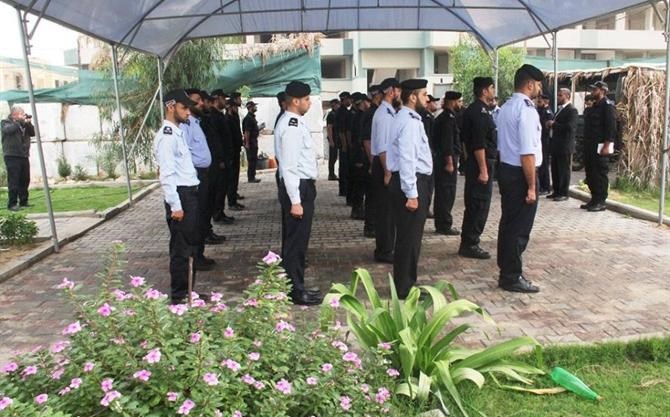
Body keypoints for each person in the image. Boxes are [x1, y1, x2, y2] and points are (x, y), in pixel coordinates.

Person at [495, 64, 545, 293]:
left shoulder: (506, 107)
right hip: (521, 173)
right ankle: (511, 276)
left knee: (508, 223)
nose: (540, 89)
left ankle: (507, 269)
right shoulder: (526, 110)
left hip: (506, 169)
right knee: (519, 228)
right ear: (530, 85)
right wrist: (532, 186)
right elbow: (527, 153)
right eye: (538, 85)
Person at [275, 81, 321, 306]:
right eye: (306, 99)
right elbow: (289, 166)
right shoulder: (291, 125)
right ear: (295, 101)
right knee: (296, 243)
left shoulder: (294, 122)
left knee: (296, 241)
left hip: (301, 186)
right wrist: (295, 200)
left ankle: (295, 286)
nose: (309, 103)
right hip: (298, 188)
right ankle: (295, 291)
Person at [386, 79, 433, 299]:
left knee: (408, 237)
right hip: (411, 183)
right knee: (409, 238)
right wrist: (412, 194)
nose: (427, 98)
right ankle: (405, 288)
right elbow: (407, 159)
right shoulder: (410, 121)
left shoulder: (402, 117)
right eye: (424, 94)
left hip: (407, 181)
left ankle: (405, 283)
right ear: (413, 97)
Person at [153, 90, 201, 304]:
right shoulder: (167, 136)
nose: (188, 112)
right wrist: (175, 205)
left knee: (190, 245)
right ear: (170, 107)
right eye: (184, 107)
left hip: (188, 194)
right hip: (181, 196)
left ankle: (189, 292)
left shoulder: (177, 133)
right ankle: (180, 295)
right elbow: (167, 174)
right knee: (181, 248)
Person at [180, 89, 222, 271]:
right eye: (196, 101)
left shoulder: (196, 122)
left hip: (204, 173)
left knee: (204, 212)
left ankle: (199, 253)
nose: (201, 104)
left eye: (200, 101)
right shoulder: (185, 126)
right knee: (196, 218)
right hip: (195, 174)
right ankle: (195, 256)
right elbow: (185, 153)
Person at [459, 77, 497, 260]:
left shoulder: (477, 110)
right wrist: (483, 169)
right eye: (491, 88)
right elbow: (479, 144)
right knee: (479, 204)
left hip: (476, 162)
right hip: (481, 163)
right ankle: (470, 243)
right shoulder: (479, 112)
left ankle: (469, 241)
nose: (493, 91)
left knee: (475, 203)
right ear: (484, 91)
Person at [370, 77, 401, 263]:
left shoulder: (389, 112)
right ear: (391, 91)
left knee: (389, 211)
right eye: (398, 91)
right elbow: (382, 147)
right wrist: (388, 172)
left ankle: (387, 247)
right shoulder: (384, 115)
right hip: (384, 166)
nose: (400, 94)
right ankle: (384, 250)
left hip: (385, 165)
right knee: (385, 212)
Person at [582, 81, 616, 212]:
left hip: (601, 146)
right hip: (590, 145)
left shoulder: (607, 107)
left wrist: (607, 145)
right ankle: (594, 198)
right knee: (590, 173)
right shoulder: (594, 106)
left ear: (602, 91)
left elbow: (611, 128)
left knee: (599, 174)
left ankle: (601, 201)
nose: (592, 92)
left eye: (595, 89)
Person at [433, 91, 463, 235]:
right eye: (458, 101)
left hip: (443, 159)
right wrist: (449, 162)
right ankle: (444, 224)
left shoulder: (445, 117)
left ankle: (441, 222)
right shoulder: (447, 119)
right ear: (452, 102)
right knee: (447, 193)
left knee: (443, 192)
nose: (460, 104)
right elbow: (447, 143)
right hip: (446, 160)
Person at [209, 89, 235, 224]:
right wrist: (219, 159)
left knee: (223, 187)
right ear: (217, 98)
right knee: (219, 188)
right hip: (219, 159)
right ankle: (217, 214)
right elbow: (215, 140)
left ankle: (220, 212)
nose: (225, 101)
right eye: (223, 99)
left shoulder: (219, 115)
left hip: (225, 157)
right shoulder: (213, 116)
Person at [546, 88, 578, 201]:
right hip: (556, 144)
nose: (558, 97)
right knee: (555, 169)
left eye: (560, 95)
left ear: (567, 96)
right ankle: (556, 191)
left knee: (563, 170)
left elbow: (570, 127)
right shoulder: (560, 109)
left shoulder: (572, 110)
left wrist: (554, 124)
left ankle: (564, 192)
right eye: (558, 95)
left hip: (564, 145)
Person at [1, 106, 34, 211]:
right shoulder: (5, 122)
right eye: (21, 114)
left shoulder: (23, 124)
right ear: (14, 115)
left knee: (25, 179)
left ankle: (24, 201)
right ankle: (12, 204)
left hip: (23, 155)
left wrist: (28, 123)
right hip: (12, 155)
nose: (23, 115)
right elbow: (8, 130)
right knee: (14, 180)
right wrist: (18, 122)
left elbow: (32, 133)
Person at [360, 85, 382, 238]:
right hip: (372, 160)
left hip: (374, 160)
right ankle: (371, 227)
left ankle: (373, 225)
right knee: (373, 195)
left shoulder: (375, 112)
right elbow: (367, 140)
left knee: (375, 195)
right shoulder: (373, 113)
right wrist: (372, 162)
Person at [349, 93, 371, 221]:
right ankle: (357, 209)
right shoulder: (360, 116)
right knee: (360, 183)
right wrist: (359, 158)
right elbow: (358, 139)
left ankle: (357, 208)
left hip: (359, 153)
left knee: (359, 183)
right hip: (359, 154)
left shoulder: (360, 115)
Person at [226, 97, 245, 211]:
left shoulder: (234, 117)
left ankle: (234, 197)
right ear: (230, 107)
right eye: (234, 107)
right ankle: (231, 202)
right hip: (231, 152)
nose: (236, 109)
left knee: (235, 176)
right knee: (232, 177)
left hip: (236, 150)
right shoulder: (227, 119)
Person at [335, 91, 353, 199]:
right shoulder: (343, 112)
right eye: (349, 99)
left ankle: (343, 189)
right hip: (344, 144)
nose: (350, 101)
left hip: (342, 143)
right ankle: (344, 189)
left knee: (343, 167)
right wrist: (345, 145)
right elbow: (342, 131)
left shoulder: (342, 111)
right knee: (345, 168)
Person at [536, 94, 553, 195]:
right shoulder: (539, 110)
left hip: (544, 140)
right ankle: (541, 185)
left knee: (544, 164)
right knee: (540, 164)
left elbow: (546, 127)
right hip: (539, 140)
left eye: (540, 101)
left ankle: (545, 186)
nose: (538, 103)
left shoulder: (547, 112)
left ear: (546, 101)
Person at [243, 101, 261, 183]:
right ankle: (251, 177)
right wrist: (247, 143)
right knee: (251, 159)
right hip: (250, 141)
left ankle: (252, 176)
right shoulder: (248, 118)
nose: (255, 107)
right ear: (250, 107)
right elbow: (247, 131)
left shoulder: (252, 117)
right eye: (254, 106)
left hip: (253, 140)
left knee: (254, 159)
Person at [326, 98, 340, 181]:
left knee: (334, 157)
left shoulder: (337, 114)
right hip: (333, 138)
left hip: (337, 137)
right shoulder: (331, 115)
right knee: (333, 157)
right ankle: (331, 174)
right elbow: (329, 128)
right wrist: (331, 140)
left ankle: (332, 174)